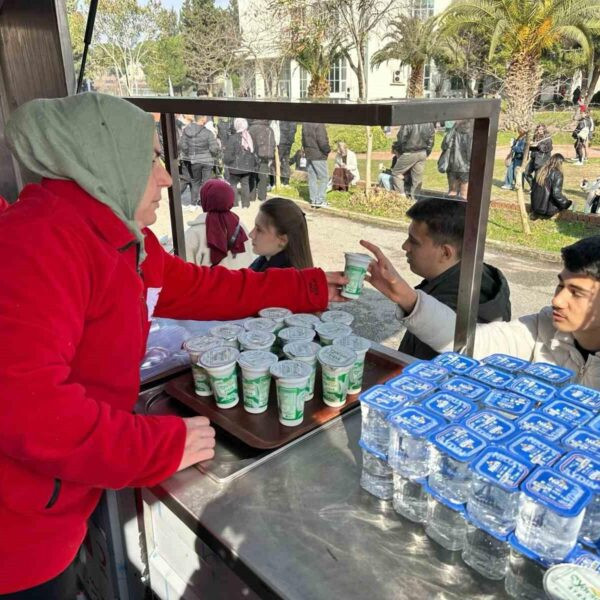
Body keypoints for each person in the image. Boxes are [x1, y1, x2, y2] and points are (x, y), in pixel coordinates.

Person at [0, 92, 347, 598]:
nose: (166, 177)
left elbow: (206, 288)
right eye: (150, 159)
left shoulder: (123, 238)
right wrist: (160, 446)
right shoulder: (38, 243)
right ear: (105, 160)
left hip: (62, 498)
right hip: (19, 534)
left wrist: (308, 287)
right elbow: (26, 408)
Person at [361, 234, 600, 388]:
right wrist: (405, 296)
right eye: (560, 285)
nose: (558, 300)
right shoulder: (543, 328)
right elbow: (473, 341)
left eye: (576, 292)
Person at [392, 198, 511, 359]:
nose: (405, 247)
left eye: (414, 241)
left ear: (446, 253)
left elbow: (421, 376)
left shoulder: (447, 311)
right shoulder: (478, 275)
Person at [184, 179, 253, 268]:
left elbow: (186, 270)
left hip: (212, 281)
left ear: (204, 199)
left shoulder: (194, 233)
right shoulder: (240, 227)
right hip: (241, 280)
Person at [249, 197, 313, 271]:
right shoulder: (263, 261)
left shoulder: (282, 279)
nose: (251, 234)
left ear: (283, 240)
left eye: (259, 230)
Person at [179, 114, 220, 209]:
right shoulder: (208, 132)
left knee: (195, 182)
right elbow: (214, 149)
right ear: (203, 119)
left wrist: (189, 154)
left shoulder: (186, 130)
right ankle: (205, 203)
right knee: (206, 183)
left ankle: (193, 204)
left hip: (194, 160)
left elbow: (182, 145)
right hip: (207, 160)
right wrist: (214, 155)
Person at [391, 122, 435, 200]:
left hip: (410, 152)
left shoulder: (409, 120)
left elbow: (401, 137)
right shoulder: (429, 122)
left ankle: (401, 197)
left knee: (396, 173)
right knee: (417, 179)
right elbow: (431, 139)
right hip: (422, 152)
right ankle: (414, 200)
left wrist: (403, 151)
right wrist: (427, 152)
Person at [223, 118, 257, 208]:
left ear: (236, 125)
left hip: (235, 167)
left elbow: (228, 154)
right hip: (247, 167)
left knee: (233, 184)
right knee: (245, 184)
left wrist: (226, 162)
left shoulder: (233, 138)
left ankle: (235, 204)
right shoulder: (250, 136)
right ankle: (245, 204)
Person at [437, 120, 473, 199]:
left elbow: (444, 145)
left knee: (452, 192)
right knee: (464, 194)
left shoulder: (453, 130)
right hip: (466, 167)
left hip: (452, 165)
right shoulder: (472, 132)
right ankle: (462, 210)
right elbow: (471, 152)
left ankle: (450, 210)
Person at [530, 153, 572, 219]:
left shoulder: (540, 170)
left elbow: (533, 188)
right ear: (560, 163)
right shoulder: (557, 174)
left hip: (535, 206)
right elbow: (556, 194)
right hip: (547, 209)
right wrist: (567, 203)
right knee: (563, 202)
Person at [302, 121, 331, 207]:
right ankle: (319, 200)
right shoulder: (319, 124)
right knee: (324, 177)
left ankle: (313, 199)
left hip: (309, 153)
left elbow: (303, 139)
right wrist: (327, 150)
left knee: (312, 177)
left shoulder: (305, 123)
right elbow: (322, 140)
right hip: (318, 154)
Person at [248, 119, 276, 202]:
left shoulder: (252, 128)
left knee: (252, 175)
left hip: (254, 155)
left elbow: (249, 142)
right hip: (265, 156)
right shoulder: (269, 129)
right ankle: (262, 196)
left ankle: (251, 196)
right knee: (263, 176)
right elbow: (273, 143)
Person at [278, 120, 297, 185]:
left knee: (277, 161)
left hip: (282, 141)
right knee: (285, 161)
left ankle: (275, 181)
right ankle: (285, 182)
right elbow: (294, 129)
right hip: (288, 141)